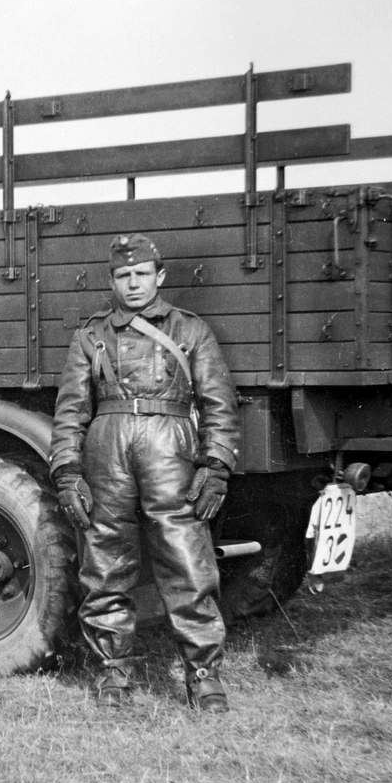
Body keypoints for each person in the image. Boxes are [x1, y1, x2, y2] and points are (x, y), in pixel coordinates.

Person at [49, 234, 239, 711]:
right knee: (105, 560)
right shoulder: (91, 336)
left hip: (169, 447)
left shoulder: (190, 330)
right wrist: (68, 472)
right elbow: (70, 412)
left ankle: (203, 674)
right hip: (107, 449)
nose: (133, 284)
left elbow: (218, 404)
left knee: (185, 557)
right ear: (112, 281)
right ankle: (112, 671)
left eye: (141, 274)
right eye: (123, 276)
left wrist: (216, 465)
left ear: (160, 276)